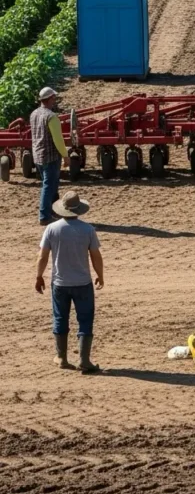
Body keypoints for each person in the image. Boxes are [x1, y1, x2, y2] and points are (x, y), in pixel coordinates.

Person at [35, 190, 104, 374]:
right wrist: (100, 275)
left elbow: (42, 256)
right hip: (83, 282)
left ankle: (62, 358)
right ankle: (84, 360)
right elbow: (96, 256)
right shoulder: (88, 229)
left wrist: (38, 276)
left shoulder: (52, 229)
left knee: (60, 318)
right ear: (79, 210)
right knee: (85, 319)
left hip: (59, 283)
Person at [31, 86, 69, 226]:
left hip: (38, 155)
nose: (55, 100)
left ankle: (54, 210)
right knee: (49, 186)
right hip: (51, 156)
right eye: (54, 97)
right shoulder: (52, 117)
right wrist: (65, 155)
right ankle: (44, 216)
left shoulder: (34, 114)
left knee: (51, 185)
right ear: (50, 98)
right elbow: (58, 139)